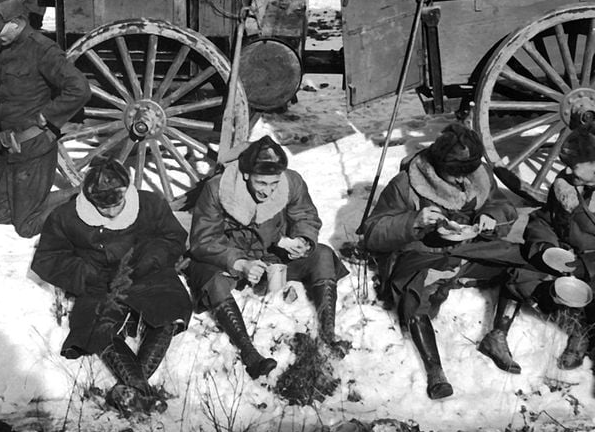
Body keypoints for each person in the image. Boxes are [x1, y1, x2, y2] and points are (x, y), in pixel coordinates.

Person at [362, 123, 544, 399]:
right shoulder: (407, 183)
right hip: (422, 254)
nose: (462, 182)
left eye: (466, 175)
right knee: (412, 293)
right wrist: (414, 221)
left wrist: (491, 217)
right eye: (455, 175)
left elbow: (503, 205)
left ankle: (497, 337)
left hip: (470, 248)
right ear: (437, 165)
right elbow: (373, 233)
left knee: (525, 262)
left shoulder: (479, 175)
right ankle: (435, 371)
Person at [31, 157, 191, 414]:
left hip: (147, 274)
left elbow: (173, 237)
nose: (112, 211)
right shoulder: (67, 217)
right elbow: (48, 259)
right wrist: (86, 273)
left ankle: (130, 391)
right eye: (103, 207)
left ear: (127, 191)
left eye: (117, 203)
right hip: (100, 282)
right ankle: (141, 391)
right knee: (96, 324)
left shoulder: (149, 204)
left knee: (169, 310)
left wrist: (152, 257)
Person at [187, 135, 349, 380]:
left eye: (274, 183)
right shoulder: (218, 188)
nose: (268, 190)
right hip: (231, 259)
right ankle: (250, 354)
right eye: (261, 183)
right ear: (245, 174)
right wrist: (239, 263)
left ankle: (328, 337)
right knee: (209, 279)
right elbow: (203, 240)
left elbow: (305, 214)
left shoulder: (290, 182)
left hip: (273, 256)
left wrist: (303, 240)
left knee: (323, 254)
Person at [0, 0, 90, 238]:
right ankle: (43, 200)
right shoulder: (6, 48)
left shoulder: (43, 49)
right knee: (2, 215)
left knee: (27, 226)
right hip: (10, 147)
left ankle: (81, 197)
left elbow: (80, 88)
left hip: (34, 146)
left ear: (15, 22)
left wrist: (48, 115)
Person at [522, 129, 595, 370]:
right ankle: (577, 328)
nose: (568, 171)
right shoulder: (566, 186)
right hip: (568, 261)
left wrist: (586, 265)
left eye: (575, 165)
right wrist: (546, 247)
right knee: (520, 278)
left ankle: (584, 339)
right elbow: (543, 220)